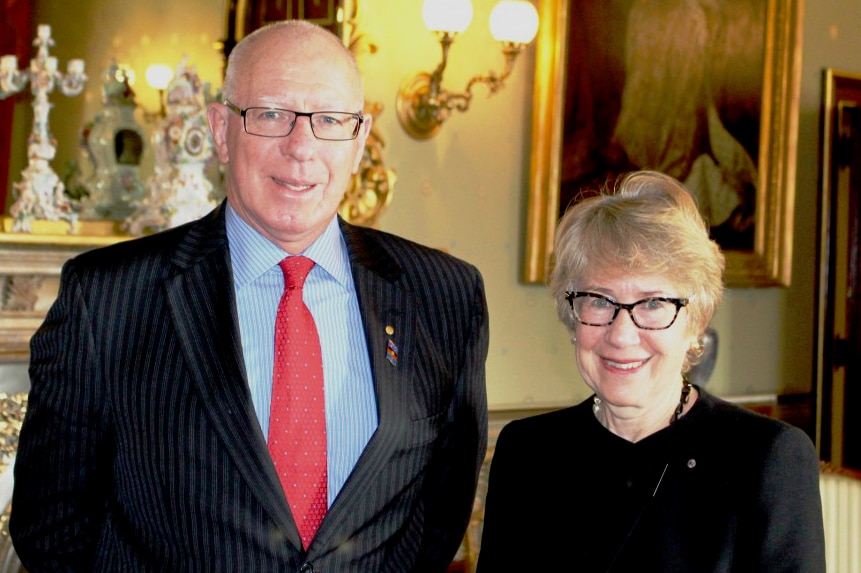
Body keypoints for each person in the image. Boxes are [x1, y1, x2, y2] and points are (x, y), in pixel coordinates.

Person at [10, 20, 489, 572]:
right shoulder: (108, 299)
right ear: (220, 129)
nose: (301, 146)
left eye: (330, 120)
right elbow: (51, 527)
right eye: (271, 115)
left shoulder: (445, 296)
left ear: (359, 140)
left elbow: (441, 513)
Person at [476, 171, 825, 572]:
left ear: (695, 321)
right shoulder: (528, 453)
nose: (622, 334)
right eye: (599, 301)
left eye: (653, 303)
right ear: (572, 316)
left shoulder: (767, 459)